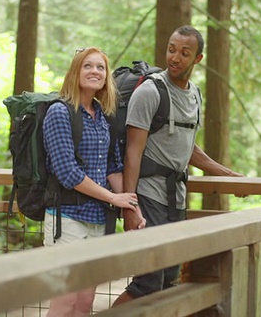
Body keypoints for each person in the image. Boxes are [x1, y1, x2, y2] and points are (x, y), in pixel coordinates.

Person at [113, 26, 245, 306]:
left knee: (168, 279)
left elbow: (188, 148)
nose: (175, 57)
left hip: (176, 199)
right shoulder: (150, 92)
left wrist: (229, 176)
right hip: (148, 197)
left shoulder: (195, 94)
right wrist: (129, 207)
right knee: (147, 284)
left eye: (184, 53)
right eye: (171, 49)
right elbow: (133, 153)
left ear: (197, 59)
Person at [42, 46, 139, 317]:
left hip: (98, 221)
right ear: (75, 71)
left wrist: (131, 206)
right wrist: (112, 198)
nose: (94, 71)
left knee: (84, 305)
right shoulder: (59, 113)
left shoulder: (103, 117)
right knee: (64, 304)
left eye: (100, 67)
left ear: (106, 76)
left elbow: (113, 167)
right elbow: (68, 173)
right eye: (88, 65)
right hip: (67, 220)